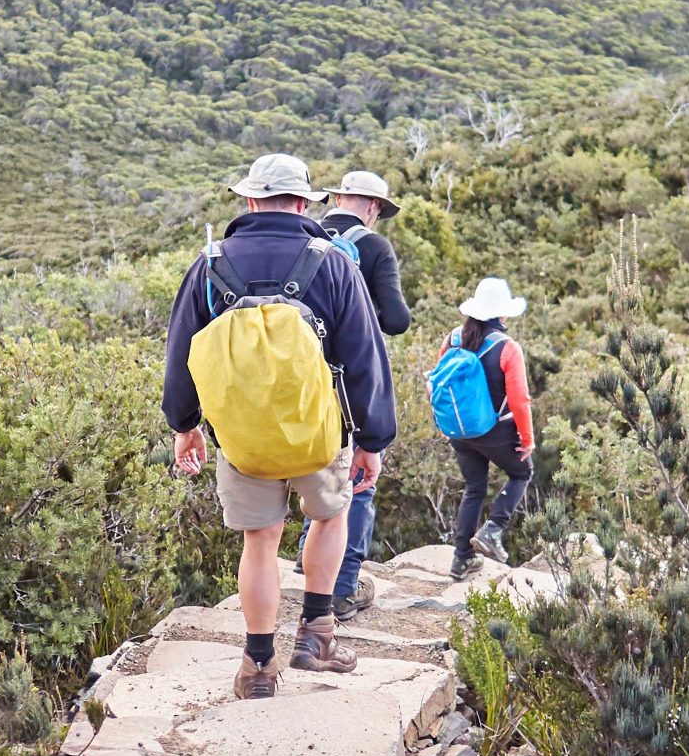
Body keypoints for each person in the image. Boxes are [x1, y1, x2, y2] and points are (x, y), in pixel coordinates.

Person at [164, 154, 394, 697]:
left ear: (248, 201)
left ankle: (258, 666)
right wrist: (373, 439)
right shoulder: (333, 263)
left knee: (260, 541)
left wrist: (185, 425)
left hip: (242, 436)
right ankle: (316, 639)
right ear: (304, 202)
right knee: (330, 517)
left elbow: (181, 353)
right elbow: (364, 355)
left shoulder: (210, 263)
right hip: (320, 431)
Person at [318, 170, 410, 620]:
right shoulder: (373, 247)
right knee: (358, 477)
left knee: (314, 466)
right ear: (374, 207)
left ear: (336, 197)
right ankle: (343, 586)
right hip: (352, 377)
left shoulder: (307, 234)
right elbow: (396, 320)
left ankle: (308, 555)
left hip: (300, 378)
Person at [430, 278, 535, 578]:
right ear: (502, 314)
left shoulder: (452, 338)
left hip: (459, 431)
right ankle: (492, 529)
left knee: (474, 487)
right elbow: (520, 399)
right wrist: (527, 439)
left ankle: (461, 558)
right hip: (495, 431)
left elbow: (437, 382)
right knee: (522, 472)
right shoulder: (507, 348)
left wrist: (443, 423)